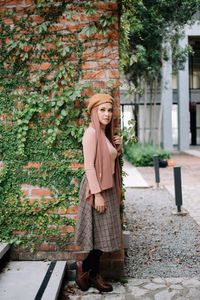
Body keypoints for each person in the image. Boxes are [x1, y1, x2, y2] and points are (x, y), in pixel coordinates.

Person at [74, 93, 122, 293]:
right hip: (96, 189)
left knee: (103, 235)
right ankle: (88, 271)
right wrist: (98, 194)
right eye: (102, 109)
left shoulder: (105, 134)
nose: (107, 113)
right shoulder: (91, 133)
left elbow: (107, 161)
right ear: (94, 111)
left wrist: (117, 149)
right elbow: (89, 167)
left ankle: (89, 271)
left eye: (109, 110)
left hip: (107, 187)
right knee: (98, 234)